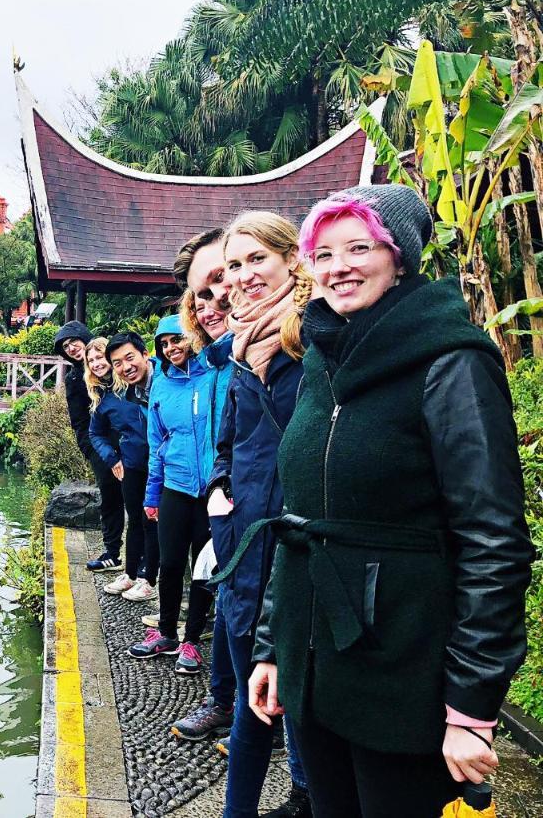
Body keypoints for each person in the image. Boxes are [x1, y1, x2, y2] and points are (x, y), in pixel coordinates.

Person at [246, 186, 534, 818]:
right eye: (322, 253)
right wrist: (273, 648)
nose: (338, 266)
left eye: (358, 247)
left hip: (403, 665)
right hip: (318, 664)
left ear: (399, 256)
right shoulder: (325, 353)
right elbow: (301, 517)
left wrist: (472, 705)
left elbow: (494, 540)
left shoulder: (450, 360)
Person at [207, 212, 314, 818]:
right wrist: (219, 488)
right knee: (254, 689)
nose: (243, 277)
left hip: (299, 535)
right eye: (234, 266)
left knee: (296, 679)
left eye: (257, 260)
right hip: (245, 539)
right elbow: (230, 442)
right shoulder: (239, 352)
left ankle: (303, 790)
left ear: (291, 260)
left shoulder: (318, 337)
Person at [168, 229, 239, 744]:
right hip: (216, 497)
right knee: (231, 602)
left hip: (255, 509)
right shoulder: (217, 364)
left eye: (223, 280)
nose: (214, 302)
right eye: (201, 294)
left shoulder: (282, 349)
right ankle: (224, 700)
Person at [127, 314, 216, 677]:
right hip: (174, 487)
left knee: (204, 567)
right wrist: (152, 494)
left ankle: (192, 639)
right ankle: (165, 632)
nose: (171, 348)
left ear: (192, 338)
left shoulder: (215, 376)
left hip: (212, 489)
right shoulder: (161, 385)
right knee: (170, 562)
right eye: (164, 344)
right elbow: (155, 442)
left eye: (177, 340)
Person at [89, 331, 158, 602]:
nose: (98, 364)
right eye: (91, 360)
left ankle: (147, 576)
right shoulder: (102, 398)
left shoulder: (138, 387)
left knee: (150, 518)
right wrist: (113, 458)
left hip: (157, 462)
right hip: (131, 463)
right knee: (135, 518)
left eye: (101, 358)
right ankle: (130, 573)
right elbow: (95, 433)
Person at [54, 321, 126, 572]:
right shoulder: (76, 379)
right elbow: (79, 421)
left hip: (132, 443)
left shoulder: (116, 367)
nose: (71, 348)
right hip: (100, 448)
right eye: (65, 346)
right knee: (110, 500)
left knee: (139, 501)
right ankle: (112, 552)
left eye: (73, 341)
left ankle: (142, 562)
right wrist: (92, 453)